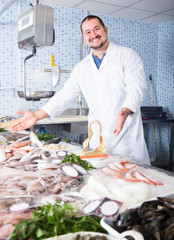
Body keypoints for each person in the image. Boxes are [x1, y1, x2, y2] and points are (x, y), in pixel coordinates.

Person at [11, 15, 150, 165]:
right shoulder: (82, 67)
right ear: (84, 37)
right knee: (103, 183)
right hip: (98, 140)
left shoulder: (127, 55)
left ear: (105, 30)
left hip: (126, 138)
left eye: (96, 29)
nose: (93, 35)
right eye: (88, 32)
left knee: (133, 182)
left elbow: (137, 88)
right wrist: (37, 115)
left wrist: (125, 110)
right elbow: (64, 95)